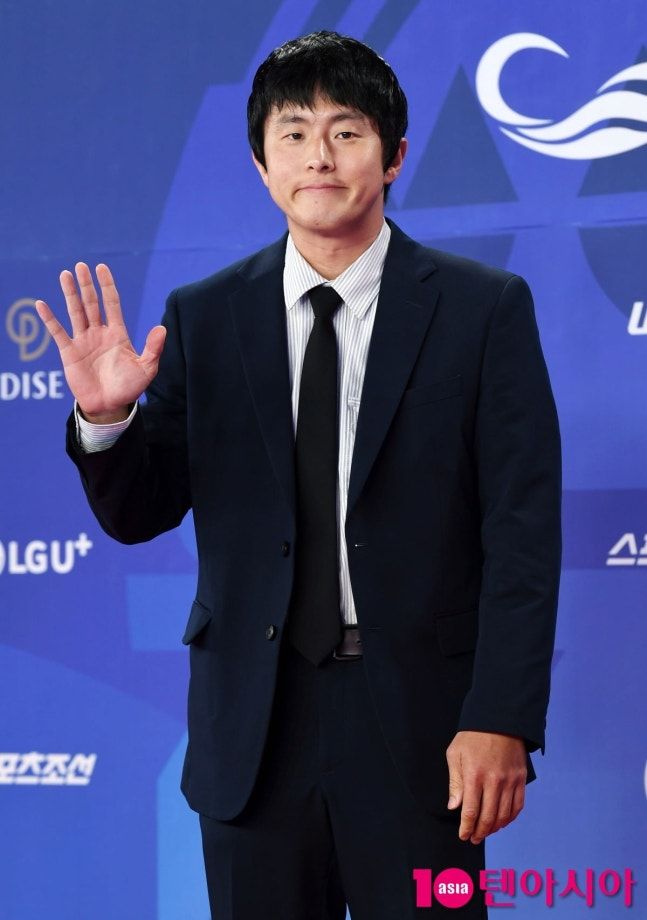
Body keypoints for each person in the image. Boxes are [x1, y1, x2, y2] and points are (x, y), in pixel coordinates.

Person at [36, 30, 561, 920]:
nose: (318, 155)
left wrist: (499, 716)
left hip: (423, 727)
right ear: (261, 163)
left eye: (345, 132)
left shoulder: (481, 310)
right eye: (292, 133)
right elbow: (140, 512)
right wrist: (107, 419)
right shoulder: (205, 317)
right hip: (254, 729)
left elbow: (521, 532)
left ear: (393, 156)